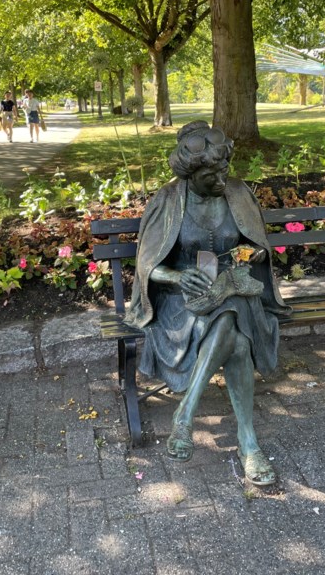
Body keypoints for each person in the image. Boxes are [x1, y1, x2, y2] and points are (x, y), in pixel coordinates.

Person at [124, 120, 292, 486]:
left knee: (231, 311)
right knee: (237, 337)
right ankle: (248, 445)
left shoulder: (237, 193)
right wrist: (178, 276)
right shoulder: (168, 201)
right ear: (189, 175)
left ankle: (186, 414)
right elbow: (147, 266)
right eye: (211, 175)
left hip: (234, 289)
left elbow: (260, 247)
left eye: (224, 170)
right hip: (180, 301)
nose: (221, 181)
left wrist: (253, 256)